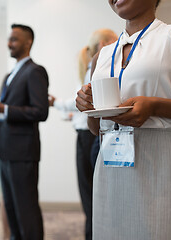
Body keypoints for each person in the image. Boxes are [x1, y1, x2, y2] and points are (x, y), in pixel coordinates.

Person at [75, 0, 171, 239]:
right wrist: (87, 106)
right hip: (111, 165)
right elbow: (96, 128)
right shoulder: (101, 56)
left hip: (160, 162)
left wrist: (156, 106)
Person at [0, 24, 49, 240]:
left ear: (28, 42)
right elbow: (5, 112)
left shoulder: (35, 71)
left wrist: (2, 108)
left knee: (26, 209)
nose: (9, 43)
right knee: (10, 208)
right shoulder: (10, 75)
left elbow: (40, 111)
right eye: (9, 39)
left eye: (14, 39)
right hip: (5, 149)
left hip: (23, 152)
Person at [49, 28, 117, 240]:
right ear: (102, 45)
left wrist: (59, 104)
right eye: (115, 41)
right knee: (93, 193)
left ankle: (94, 234)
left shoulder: (94, 67)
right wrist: (58, 104)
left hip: (87, 135)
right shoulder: (97, 67)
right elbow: (83, 100)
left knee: (90, 192)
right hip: (89, 136)